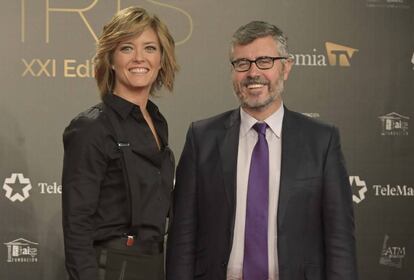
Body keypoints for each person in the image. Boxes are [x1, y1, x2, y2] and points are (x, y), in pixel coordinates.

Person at [166, 21, 358, 280]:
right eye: (242, 63)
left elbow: (340, 240)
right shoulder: (202, 138)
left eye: (265, 61)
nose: (252, 73)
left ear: (286, 67)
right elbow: (182, 235)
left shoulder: (322, 140)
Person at [62, 7, 178, 280]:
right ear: (111, 59)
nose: (139, 58)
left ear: (162, 59)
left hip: (155, 264)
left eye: (150, 48)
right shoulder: (91, 128)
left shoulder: (157, 121)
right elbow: (77, 225)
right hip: (111, 266)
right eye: (127, 48)